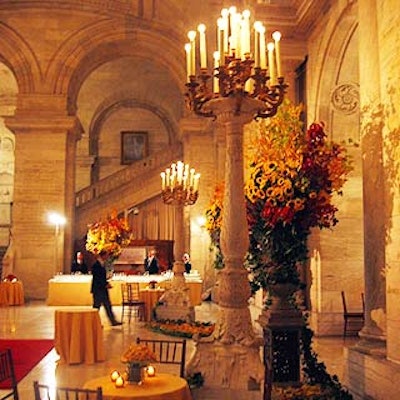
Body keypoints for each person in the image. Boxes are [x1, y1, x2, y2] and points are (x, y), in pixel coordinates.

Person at [91, 251, 122, 326]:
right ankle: (93, 322)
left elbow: (101, 277)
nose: (107, 257)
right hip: (98, 290)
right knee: (96, 307)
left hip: (102, 289)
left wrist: (106, 282)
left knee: (107, 305)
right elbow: (97, 278)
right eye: (106, 255)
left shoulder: (101, 264)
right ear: (103, 255)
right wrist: (105, 284)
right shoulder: (96, 265)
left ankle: (113, 321)